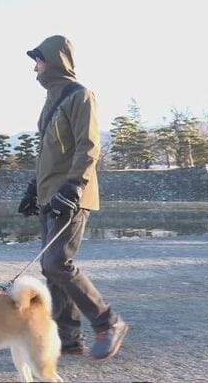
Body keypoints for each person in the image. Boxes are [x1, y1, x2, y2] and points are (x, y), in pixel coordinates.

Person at [18, 35, 129, 361]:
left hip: (70, 196)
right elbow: (49, 153)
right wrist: (33, 188)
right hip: (49, 196)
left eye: (37, 61)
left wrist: (74, 186)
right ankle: (66, 340)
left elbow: (88, 146)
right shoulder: (52, 98)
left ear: (52, 60)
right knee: (49, 268)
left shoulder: (80, 95)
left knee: (57, 263)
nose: (34, 68)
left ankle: (109, 322)